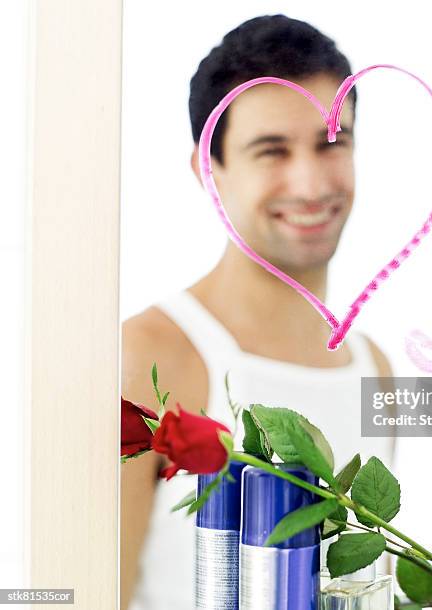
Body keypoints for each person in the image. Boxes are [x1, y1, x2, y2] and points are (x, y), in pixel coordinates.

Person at [121, 14, 395, 610]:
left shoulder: (376, 368)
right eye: (272, 150)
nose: (311, 182)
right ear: (208, 171)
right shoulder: (148, 355)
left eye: (332, 142)